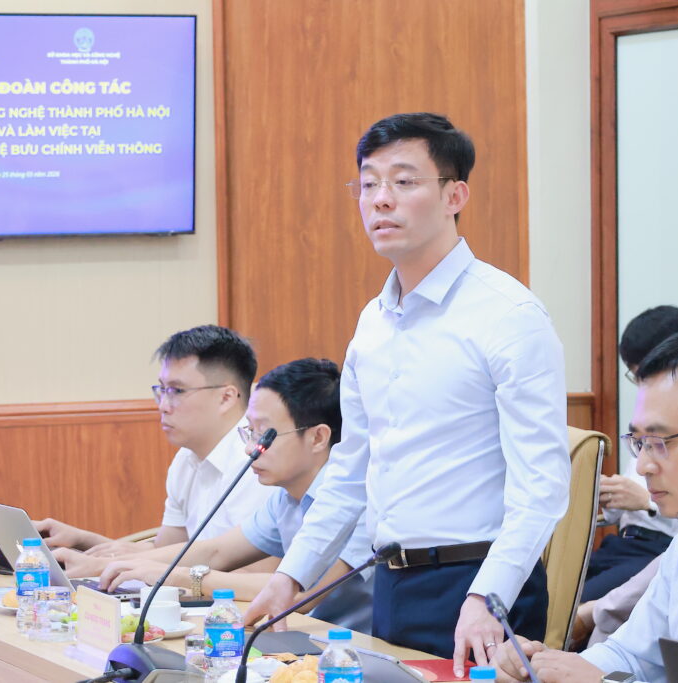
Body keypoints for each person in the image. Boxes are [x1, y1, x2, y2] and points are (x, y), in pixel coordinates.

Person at [244, 112, 570, 678]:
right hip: (390, 583)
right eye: (368, 183)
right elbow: (349, 471)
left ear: (454, 195)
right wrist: (289, 577)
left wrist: (487, 597)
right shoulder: (373, 322)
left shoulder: (509, 315)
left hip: (479, 586)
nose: (380, 199)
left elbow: (541, 485)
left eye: (403, 181)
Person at [493, 327, 678, 683]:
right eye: (639, 443)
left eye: (661, 441)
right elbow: (630, 655)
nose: (643, 466)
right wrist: (546, 666)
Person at [64, 358, 376, 633]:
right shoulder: (286, 498)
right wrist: (102, 566)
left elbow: (298, 593)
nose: (250, 448)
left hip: (353, 653)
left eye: (265, 434)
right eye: (250, 432)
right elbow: (216, 552)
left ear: (318, 437)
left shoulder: (359, 500)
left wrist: (176, 577)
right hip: (298, 637)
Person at [34, 325, 272, 555]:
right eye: (162, 390)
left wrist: (106, 566)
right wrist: (80, 540)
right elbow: (165, 551)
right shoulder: (187, 457)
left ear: (226, 398)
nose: (163, 406)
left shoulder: (257, 463)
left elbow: (250, 571)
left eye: (177, 391)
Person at [582, 305, 678, 603]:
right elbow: (628, 503)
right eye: (636, 376)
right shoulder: (647, 419)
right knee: (545, 591)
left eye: (644, 375)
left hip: (660, 550)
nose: (642, 387)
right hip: (622, 544)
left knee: (573, 606)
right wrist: (606, 497)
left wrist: (646, 502)